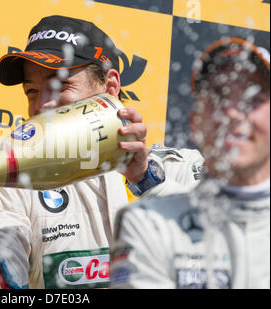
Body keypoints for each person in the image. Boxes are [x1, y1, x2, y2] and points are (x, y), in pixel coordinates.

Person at [0, 15, 204, 289]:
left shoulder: (181, 170)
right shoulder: (16, 187)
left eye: (60, 85)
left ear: (110, 85)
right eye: (32, 92)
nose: (42, 106)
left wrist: (145, 180)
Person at [110, 37, 270, 289]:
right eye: (218, 98)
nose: (232, 113)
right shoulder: (149, 223)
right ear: (195, 121)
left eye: (252, 99)